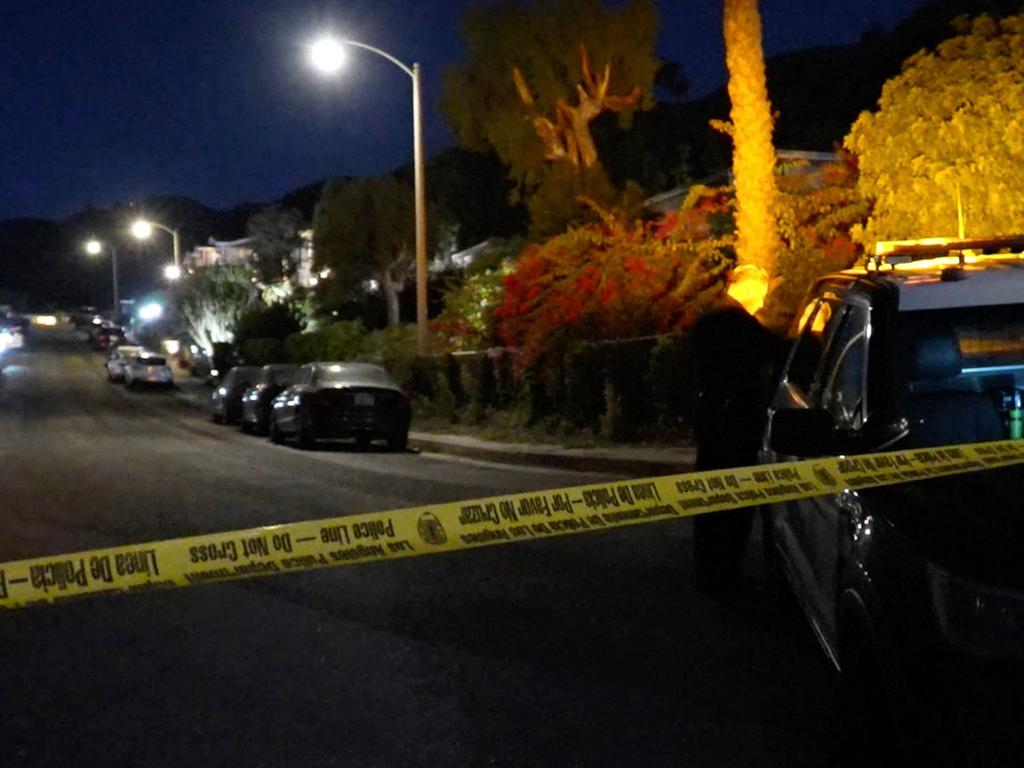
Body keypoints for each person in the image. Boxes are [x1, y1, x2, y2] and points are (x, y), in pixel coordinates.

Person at [690, 301, 785, 593]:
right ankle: (726, 572)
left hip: (712, 427)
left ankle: (710, 572)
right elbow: (776, 349)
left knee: (710, 506)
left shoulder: (707, 328)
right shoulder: (737, 325)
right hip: (737, 427)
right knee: (736, 508)